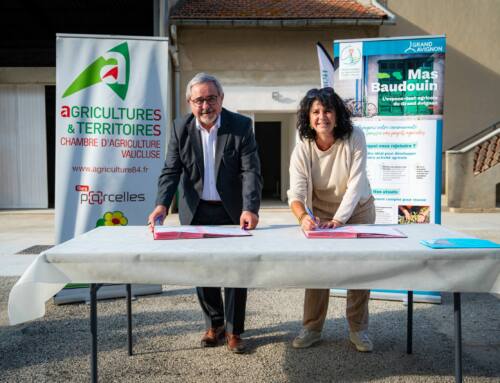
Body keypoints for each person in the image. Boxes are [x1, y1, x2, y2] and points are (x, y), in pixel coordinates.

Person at [148, 73, 262, 353]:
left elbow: (251, 171)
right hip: (196, 210)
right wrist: (162, 204)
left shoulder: (241, 126)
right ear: (190, 103)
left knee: (236, 271)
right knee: (204, 270)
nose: (205, 105)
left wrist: (250, 207)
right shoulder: (179, 128)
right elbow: (171, 169)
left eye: (211, 98)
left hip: (232, 211)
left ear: (221, 99)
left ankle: (235, 330)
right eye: (199, 100)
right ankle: (216, 325)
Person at [287, 87, 376, 352]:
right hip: (320, 213)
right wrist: (303, 217)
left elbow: (356, 185)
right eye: (315, 112)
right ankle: (312, 328)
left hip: (357, 210)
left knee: (359, 270)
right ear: (308, 116)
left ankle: (358, 329)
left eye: (327, 111)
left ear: (337, 115)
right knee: (317, 269)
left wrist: (339, 220)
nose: (321, 117)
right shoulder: (302, 146)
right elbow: (296, 193)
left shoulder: (354, 137)